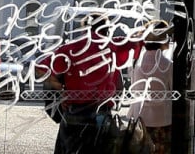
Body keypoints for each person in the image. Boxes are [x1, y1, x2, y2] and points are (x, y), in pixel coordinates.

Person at [46, 11, 131, 154]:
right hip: (101, 117)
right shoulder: (112, 49)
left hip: (74, 114)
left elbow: (44, 70)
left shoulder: (72, 48)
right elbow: (119, 88)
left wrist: (62, 90)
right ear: (107, 29)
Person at [128, 20, 175, 154]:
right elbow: (172, 91)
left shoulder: (137, 63)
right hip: (162, 119)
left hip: (139, 119)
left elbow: (134, 88)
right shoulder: (167, 65)